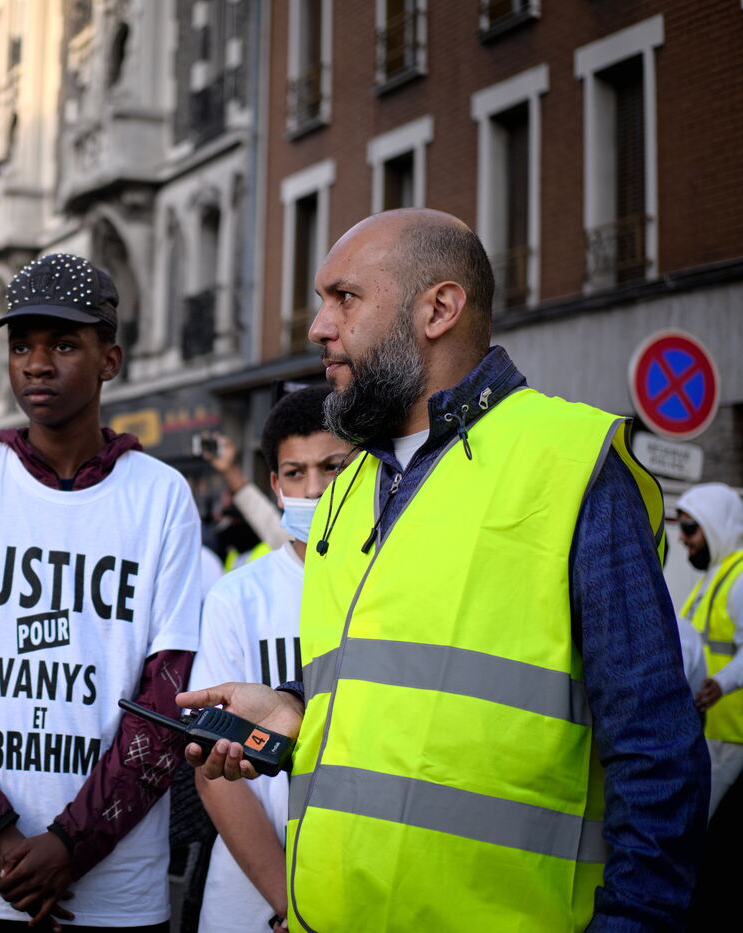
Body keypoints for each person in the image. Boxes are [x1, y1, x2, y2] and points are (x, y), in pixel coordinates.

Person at [182, 209, 709, 931]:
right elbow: (406, 681)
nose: (318, 328)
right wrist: (295, 707)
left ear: (439, 309)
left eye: (344, 298)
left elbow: (656, 750)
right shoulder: (347, 489)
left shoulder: (571, 462)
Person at [0, 253, 203, 931]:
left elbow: (168, 695)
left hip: (114, 892)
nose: (36, 364)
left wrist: (70, 843)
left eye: (63, 344)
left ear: (110, 359)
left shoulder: (161, 496)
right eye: (21, 345)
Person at [191, 385, 349, 933]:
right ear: (276, 486)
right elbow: (215, 772)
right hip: (251, 900)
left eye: (333, 467)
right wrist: (287, 903)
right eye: (295, 473)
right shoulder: (237, 597)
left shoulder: (398, 591)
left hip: (362, 889)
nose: (315, 488)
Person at [676, 482, 743, 817]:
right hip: (707, 732)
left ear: (715, 525)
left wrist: (720, 683)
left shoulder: (740, 578)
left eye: (690, 528)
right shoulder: (713, 578)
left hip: (729, 737)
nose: (681, 538)